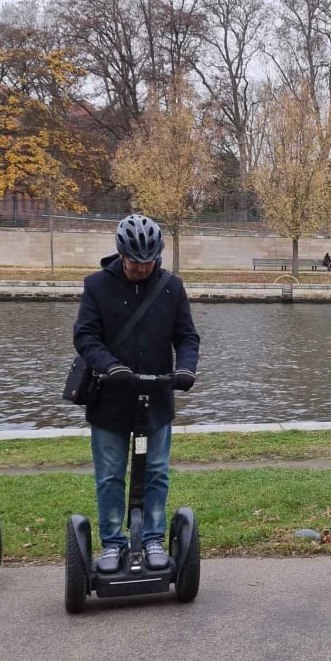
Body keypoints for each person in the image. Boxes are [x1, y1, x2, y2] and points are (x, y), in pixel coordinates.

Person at [74, 214, 200, 574]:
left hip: (157, 396)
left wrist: (186, 368)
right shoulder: (97, 285)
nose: (141, 268)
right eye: (134, 261)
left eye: (148, 261)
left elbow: (187, 336)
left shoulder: (171, 287)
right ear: (120, 254)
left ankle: (152, 539)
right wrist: (110, 365)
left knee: (157, 472)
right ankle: (113, 543)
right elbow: (85, 336)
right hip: (111, 397)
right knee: (111, 474)